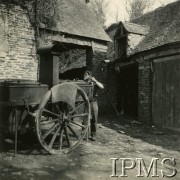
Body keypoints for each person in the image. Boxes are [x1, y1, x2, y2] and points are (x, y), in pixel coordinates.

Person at [83, 71, 104, 141]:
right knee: (85, 119)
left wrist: (95, 81)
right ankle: (84, 134)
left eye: (86, 74)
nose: (84, 76)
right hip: (86, 102)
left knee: (94, 119)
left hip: (93, 102)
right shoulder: (83, 83)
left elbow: (102, 87)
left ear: (90, 76)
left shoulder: (94, 84)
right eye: (84, 74)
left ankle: (93, 135)